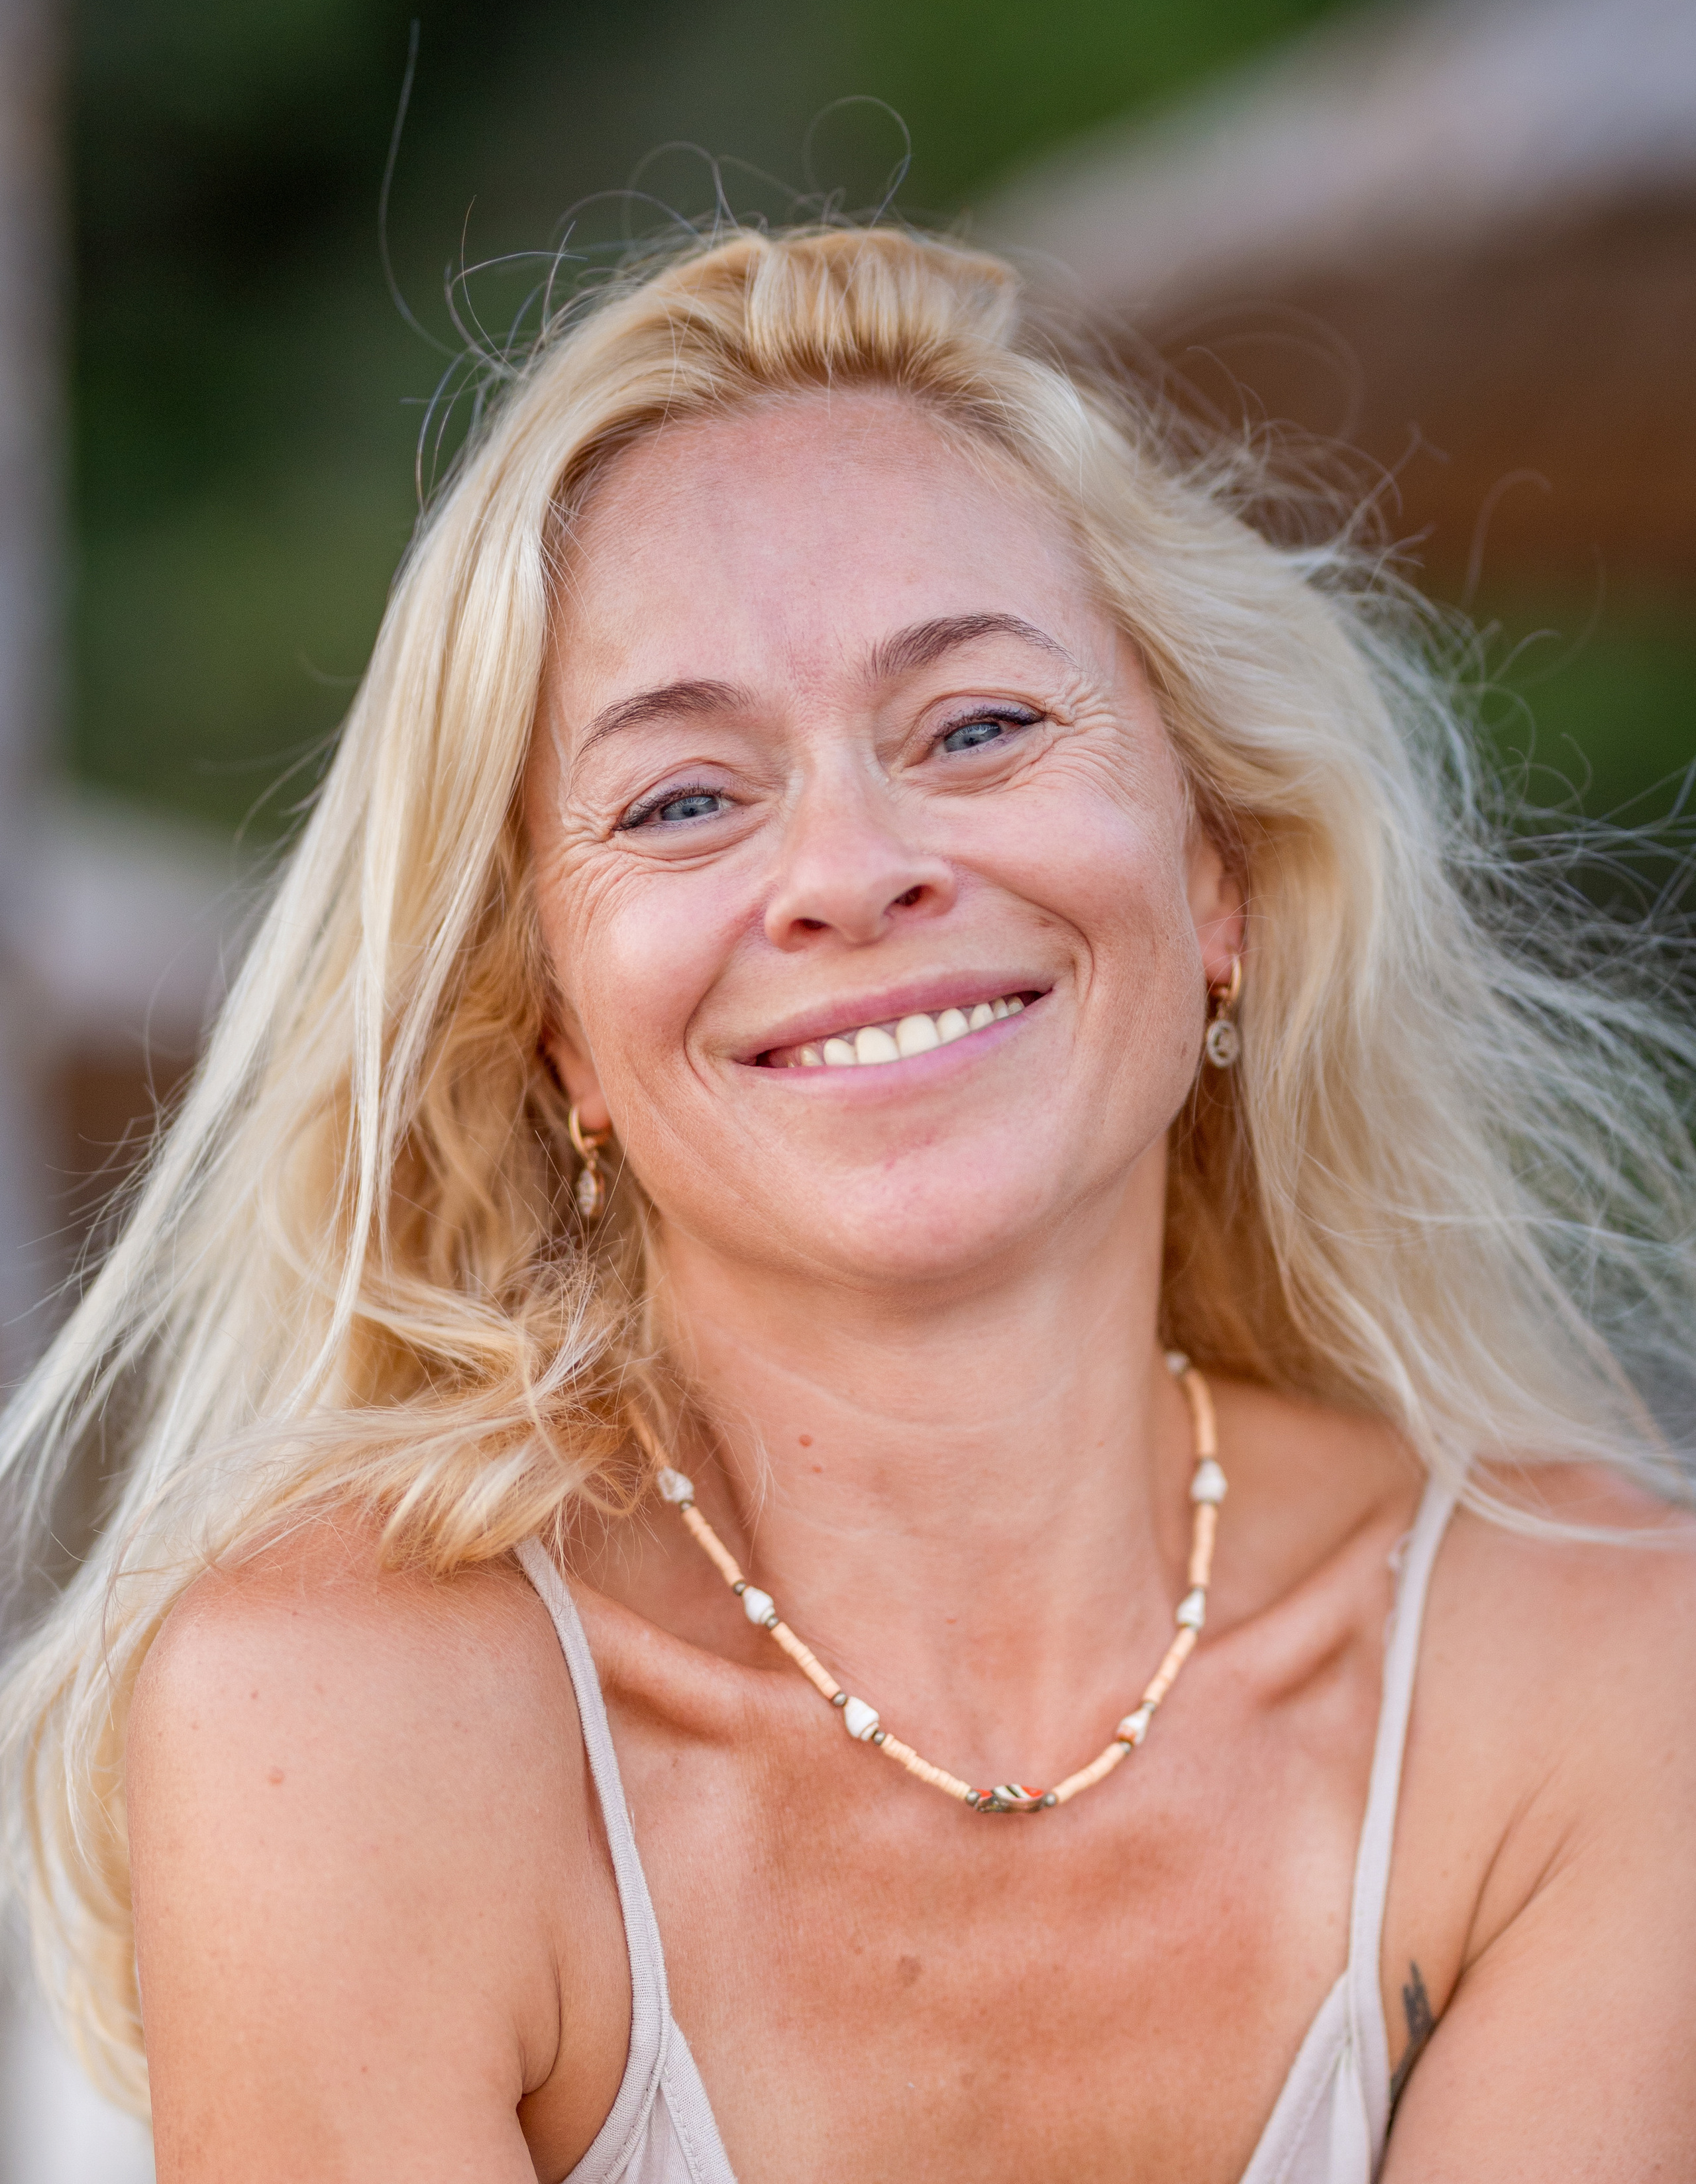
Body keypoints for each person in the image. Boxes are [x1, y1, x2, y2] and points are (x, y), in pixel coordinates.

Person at [4, 224, 1695, 2183]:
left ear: (1216, 873)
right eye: (683, 800)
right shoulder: (347, 1728)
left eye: (978, 726)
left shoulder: (1599, 1667)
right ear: (554, 1032)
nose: (852, 869)